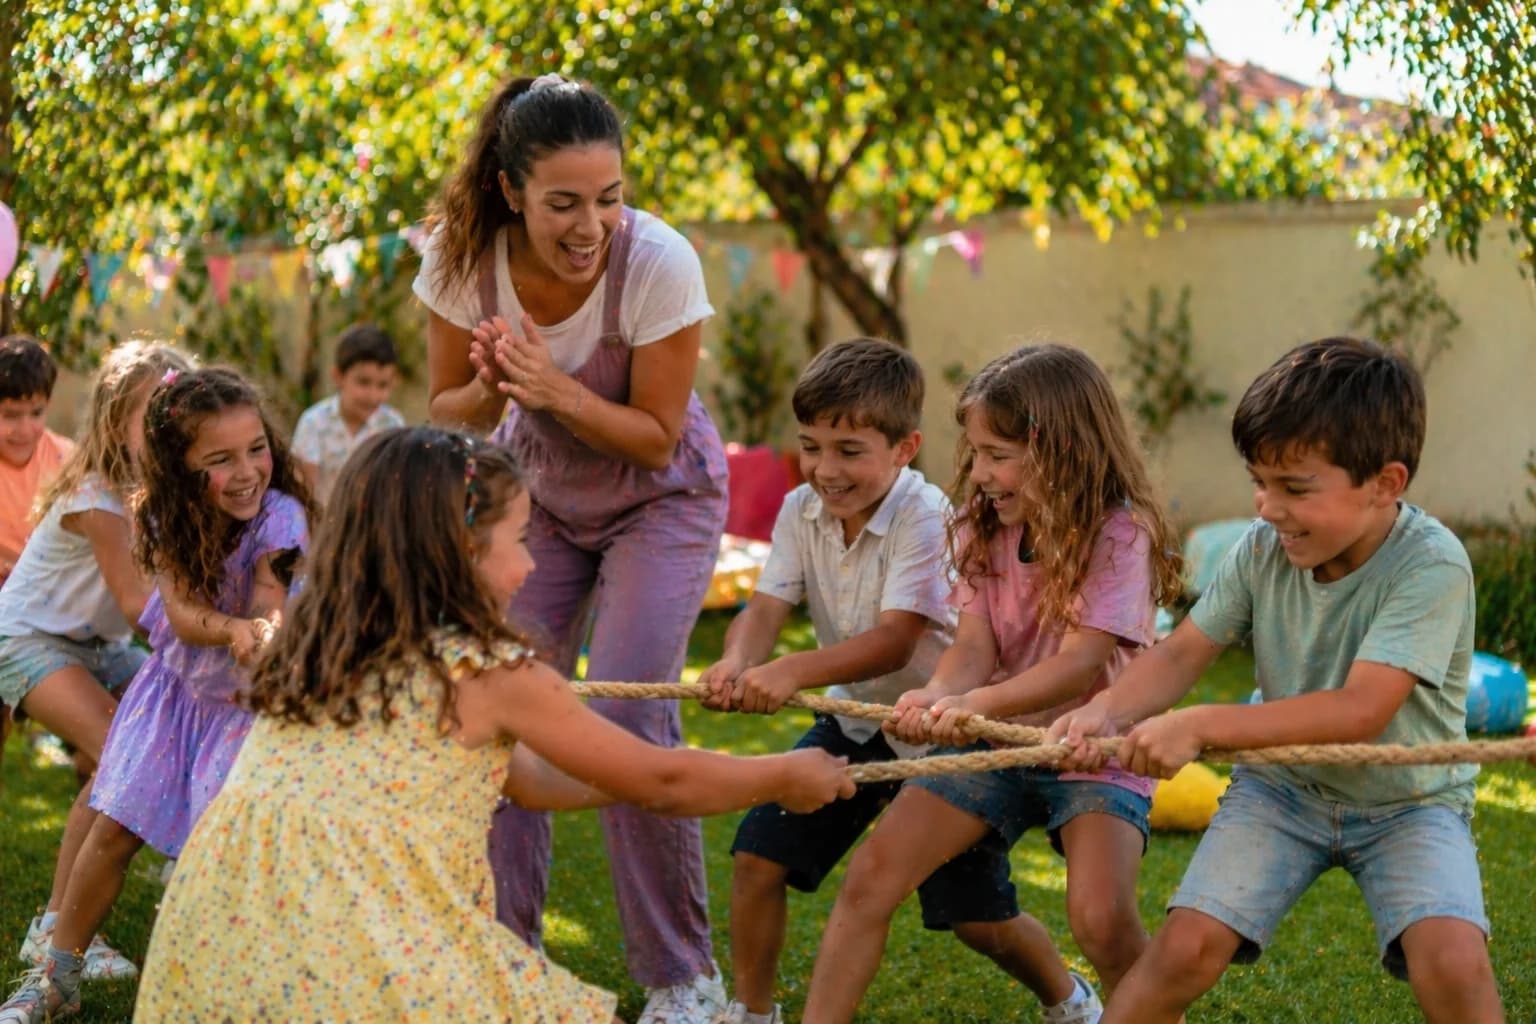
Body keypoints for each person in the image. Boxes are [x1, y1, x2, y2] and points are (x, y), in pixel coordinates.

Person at [130, 426, 852, 1022]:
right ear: (461, 550)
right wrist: (782, 774)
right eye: (521, 537)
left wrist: (621, 778)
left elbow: (530, 782)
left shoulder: (324, 644)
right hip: (358, 937)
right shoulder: (488, 674)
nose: (533, 563)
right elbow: (660, 780)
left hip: (223, 933)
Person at [1049, 337, 1505, 1024]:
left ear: (1386, 483)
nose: (1266, 508)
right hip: (1282, 788)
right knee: (1183, 950)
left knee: (1453, 961)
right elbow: (1180, 655)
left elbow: (1361, 710)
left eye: (1294, 488)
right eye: (1259, 482)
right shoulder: (1261, 550)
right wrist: (1107, 712)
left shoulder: (1431, 565)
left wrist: (1198, 725)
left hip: (1410, 802)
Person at [414, 73, 730, 1020]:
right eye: (563, 202)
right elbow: (445, 411)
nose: (591, 224)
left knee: (631, 719)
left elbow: (656, 434)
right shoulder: (460, 261)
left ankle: (685, 983)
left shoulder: (661, 264)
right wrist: (493, 386)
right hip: (540, 499)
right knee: (494, 709)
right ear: (512, 191)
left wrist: (554, 391)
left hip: (659, 500)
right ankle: (505, 961)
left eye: (609, 197)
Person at [799, 344, 1185, 1024]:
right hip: (996, 742)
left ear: (1062, 451)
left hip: (1093, 748)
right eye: (975, 453)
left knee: (1099, 919)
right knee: (870, 880)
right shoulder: (983, 525)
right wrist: (939, 693)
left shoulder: (1120, 533)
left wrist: (967, 703)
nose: (979, 474)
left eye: (997, 455)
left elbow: (1080, 664)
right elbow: (974, 645)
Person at [699, 338, 1013, 1024]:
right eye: (811, 446)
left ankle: (1067, 997)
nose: (824, 469)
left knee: (976, 916)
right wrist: (737, 661)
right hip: (857, 723)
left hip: (936, 731)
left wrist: (789, 670)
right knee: (758, 858)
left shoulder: (927, 514)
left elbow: (896, 638)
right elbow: (765, 609)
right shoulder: (797, 511)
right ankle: (752, 1012)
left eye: (849, 450)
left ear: (904, 448)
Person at [0, 367, 314, 1023]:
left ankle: (249, 985)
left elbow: (268, 594)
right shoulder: (162, 515)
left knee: (223, 844)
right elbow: (175, 610)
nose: (249, 470)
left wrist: (265, 629)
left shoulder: (280, 515)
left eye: (256, 448)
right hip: (173, 694)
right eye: (220, 459)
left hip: (240, 708)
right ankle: (58, 973)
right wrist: (230, 628)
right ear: (178, 465)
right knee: (114, 828)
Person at [0, 341, 192, 985]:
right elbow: (141, 605)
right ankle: (54, 925)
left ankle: (183, 861)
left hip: (97, 644)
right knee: (121, 751)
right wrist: (219, 634)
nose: (172, 427)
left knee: (179, 721)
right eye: (155, 414)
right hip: (29, 636)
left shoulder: (165, 488)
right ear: (116, 421)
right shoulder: (97, 495)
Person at [291, 322, 405, 503]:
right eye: (363, 382)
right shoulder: (313, 423)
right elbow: (304, 490)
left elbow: (395, 487)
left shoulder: (392, 425)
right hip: (324, 524)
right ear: (338, 377)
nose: (373, 395)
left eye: (383, 385)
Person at [0, 334, 73, 587]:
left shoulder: (66, 460)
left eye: (36, 413)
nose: (25, 428)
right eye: (10, 415)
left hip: (52, 590)